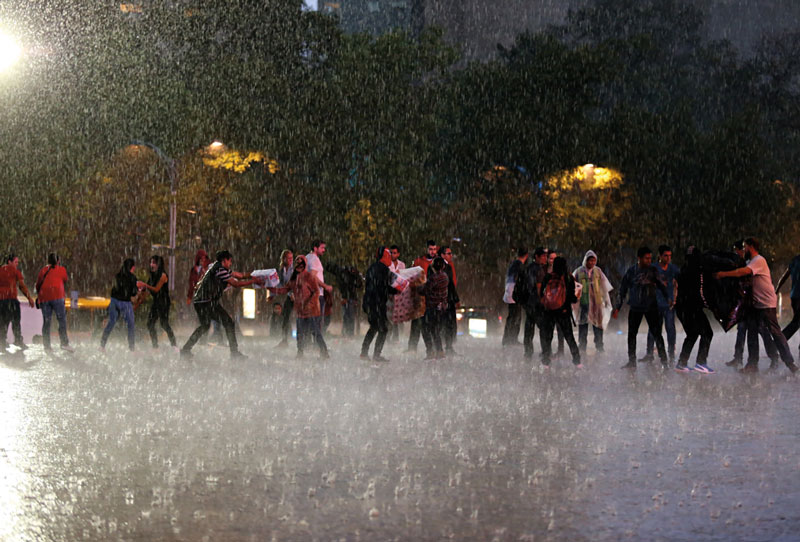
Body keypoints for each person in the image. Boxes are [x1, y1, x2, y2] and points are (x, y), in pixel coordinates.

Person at [714, 238, 797, 373]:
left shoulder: (758, 260)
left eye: (745, 247)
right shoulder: (750, 262)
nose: (743, 249)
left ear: (751, 247)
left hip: (766, 303)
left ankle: (790, 363)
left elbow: (743, 272)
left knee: (774, 332)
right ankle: (752, 365)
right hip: (755, 304)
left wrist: (723, 274)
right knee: (751, 331)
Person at [181, 250, 262, 360]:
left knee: (205, 326)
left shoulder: (218, 268)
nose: (231, 263)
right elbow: (236, 283)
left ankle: (185, 350)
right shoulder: (220, 270)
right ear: (224, 260)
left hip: (201, 301)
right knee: (228, 322)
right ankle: (234, 353)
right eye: (230, 261)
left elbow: (240, 275)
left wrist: (255, 275)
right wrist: (253, 281)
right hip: (207, 302)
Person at [612, 246, 669, 369]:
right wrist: (617, 307)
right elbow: (622, 289)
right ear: (639, 258)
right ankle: (631, 361)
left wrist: (668, 299)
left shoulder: (653, 270)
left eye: (650, 258)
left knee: (657, 334)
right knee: (632, 334)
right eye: (646, 258)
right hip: (636, 307)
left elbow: (661, 285)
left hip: (651, 307)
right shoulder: (632, 271)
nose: (649, 260)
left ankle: (664, 361)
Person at [674, 246, 714, 373]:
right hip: (690, 308)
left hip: (683, 308)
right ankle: (701, 362)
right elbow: (700, 293)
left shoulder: (684, 270)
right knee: (707, 333)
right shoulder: (697, 271)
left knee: (692, 334)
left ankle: (682, 362)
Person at [539, 256, 581, 367]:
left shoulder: (548, 277)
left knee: (547, 337)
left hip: (549, 312)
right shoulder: (568, 278)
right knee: (569, 336)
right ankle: (577, 361)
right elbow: (572, 298)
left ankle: (546, 361)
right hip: (564, 312)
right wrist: (575, 297)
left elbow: (541, 294)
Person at [291, 254, 332, 359]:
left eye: (301, 263)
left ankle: (324, 352)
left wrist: (309, 304)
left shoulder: (309, 276)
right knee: (300, 333)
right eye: (297, 263)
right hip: (301, 310)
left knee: (315, 331)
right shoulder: (295, 277)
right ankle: (300, 352)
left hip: (310, 311)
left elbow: (315, 291)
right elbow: (287, 288)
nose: (299, 265)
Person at [361, 247, 398, 362]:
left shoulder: (372, 268)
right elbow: (383, 288)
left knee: (374, 327)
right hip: (377, 304)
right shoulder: (383, 269)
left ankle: (364, 352)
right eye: (388, 255)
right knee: (383, 329)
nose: (390, 258)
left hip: (370, 302)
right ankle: (376, 355)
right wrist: (397, 290)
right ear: (383, 256)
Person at [572, 250, 613, 353]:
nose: (592, 263)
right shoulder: (579, 271)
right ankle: (582, 346)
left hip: (597, 304)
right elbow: (573, 286)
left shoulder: (598, 271)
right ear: (586, 260)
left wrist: (607, 301)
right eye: (590, 260)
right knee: (583, 325)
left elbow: (604, 287)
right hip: (584, 303)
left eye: (594, 261)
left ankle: (599, 346)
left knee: (598, 325)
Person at [644, 245, 680, 362]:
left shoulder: (673, 269)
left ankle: (671, 352)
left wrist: (675, 298)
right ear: (660, 256)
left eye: (670, 256)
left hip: (668, 304)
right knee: (653, 328)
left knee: (670, 328)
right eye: (665, 256)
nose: (668, 258)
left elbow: (678, 283)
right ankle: (649, 353)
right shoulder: (653, 268)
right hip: (655, 304)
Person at [35, 252, 73, 352]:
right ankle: (64, 343)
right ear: (58, 261)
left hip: (44, 298)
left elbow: (38, 284)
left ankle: (47, 346)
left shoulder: (43, 270)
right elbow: (65, 279)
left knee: (46, 322)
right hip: (57, 297)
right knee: (61, 320)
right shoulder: (62, 269)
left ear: (48, 261)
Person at [100, 258, 139, 352]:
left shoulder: (118, 275)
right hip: (125, 303)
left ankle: (102, 345)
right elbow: (133, 293)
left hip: (114, 301)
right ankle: (132, 348)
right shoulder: (133, 278)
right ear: (132, 267)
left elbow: (115, 289)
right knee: (131, 325)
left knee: (111, 322)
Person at [138, 255, 177, 349]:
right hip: (156, 302)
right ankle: (155, 346)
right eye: (151, 262)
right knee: (150, 323)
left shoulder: (163, 275)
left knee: (164, 324)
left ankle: (174, 345)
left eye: (154, 263)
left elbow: (156, 289)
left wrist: (144, 285)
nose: (152, 265)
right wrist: (139, 299)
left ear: (158, 264)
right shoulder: (152, 276)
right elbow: (147, 292)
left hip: (163, 302)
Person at [406, 240, 438, 352]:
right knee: (417, 321)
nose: (432, 251)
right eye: (430, 249)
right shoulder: (419, 261)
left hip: (432, 297)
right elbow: (412, 276)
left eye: (434, 249)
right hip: (420, 296)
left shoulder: (439, 262)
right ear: (427, 249)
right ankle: (412, 346)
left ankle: (434, 347)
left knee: (431, 323)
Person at [0, 253, 35, 351]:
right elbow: (21, 286)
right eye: (15, 262)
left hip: (1, 301)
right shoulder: (15, 271)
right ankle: (18, 340)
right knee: (16, 321)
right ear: (9, 262)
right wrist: (29, 298)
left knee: (3, 322)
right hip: (12, 300)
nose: (17, 264)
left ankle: (2, 342)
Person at [421, 256, 449, 360]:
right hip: (440, 308)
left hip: (432, 307)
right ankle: (440, 351)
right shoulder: (445, 276)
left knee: (425, 329)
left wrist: (418, 287)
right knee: (435, 330)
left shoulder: (434, 277)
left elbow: (425, 290)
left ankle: (430, 351)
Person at [522, 247, 548, 360]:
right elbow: (535, 286)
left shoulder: (530, 268)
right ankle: (544, 352)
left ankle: (528, 351)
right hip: (536, 303)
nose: (545, 258)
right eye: (543, 256)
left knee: (529, 327)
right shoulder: (537, 269)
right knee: (542, 327)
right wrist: (541, 298)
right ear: (536, 257)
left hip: (529, 303)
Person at [502, 246, 529, 347]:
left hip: (510, 292)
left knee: (512, 316)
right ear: (526, 255)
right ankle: (511, 339)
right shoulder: (519, 266)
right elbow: (519, 280)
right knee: (515, 317)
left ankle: (508, 338)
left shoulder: (513, 265)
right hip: (515, 293)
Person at [439, 246, 460, 354]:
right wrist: (455, 299)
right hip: (446, 300)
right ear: (442, 255)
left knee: (446, 323)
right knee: (447, 323)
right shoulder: (444, 267)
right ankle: (447, 346)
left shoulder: (446, 266)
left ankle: (446, 346)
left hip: (446, 299)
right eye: (448, 253)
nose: (451, 255)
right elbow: (449, 284)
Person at [775, 251, 800, 344]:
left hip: (794, 296)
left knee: (797, 322)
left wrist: (777, 289)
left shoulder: (795, 260)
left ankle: (779, 343)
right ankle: (778, 343)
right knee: (796, 322)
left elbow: (784, 276)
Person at [305, 240, 328, 332]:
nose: (324, 250)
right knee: (317, 321)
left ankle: (309, 342)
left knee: (310, 320)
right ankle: (317, 344)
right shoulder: (314, 259)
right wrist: (325, 286)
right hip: (317, 294)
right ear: (315, 248)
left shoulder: (307, 257)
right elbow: (313, 277)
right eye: (322, 248)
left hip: (309, 294)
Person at [274, 249, 295, 347]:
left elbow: (297, 282)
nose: (291, 260)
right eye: (289, 258)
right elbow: (282, 284)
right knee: (285, 316)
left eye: (292, 258)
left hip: (297, 295)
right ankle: (285, 340)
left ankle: (308, 341)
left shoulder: (294, 269)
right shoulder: (282, 270)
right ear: (284, 259)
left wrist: (293, 293)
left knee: (304, 318)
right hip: (289, 295)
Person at [388, 245, 406, 342]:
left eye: (395, 253)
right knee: (389, 315)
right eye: (391, 252)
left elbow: (404, 279)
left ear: (398, 254)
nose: (393, 255)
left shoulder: (402, 265)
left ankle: (396, 337)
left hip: (399, 294)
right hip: (389, 293)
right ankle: (388, 337)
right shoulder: (387, 264)